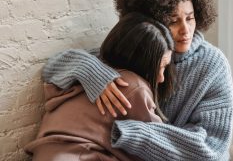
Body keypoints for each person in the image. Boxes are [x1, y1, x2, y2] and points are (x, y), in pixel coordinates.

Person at [42, 0, 233, 161]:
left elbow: (213, 149)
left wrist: (133, 133)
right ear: (151, 21)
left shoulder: (213, 65)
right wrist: (91, 72)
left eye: (190, 18)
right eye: (173, 21)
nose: (186, 30)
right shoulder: (139, 49)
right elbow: (52, 68)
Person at [25, 12, 174, 161]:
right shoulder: (134, 86)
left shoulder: (89, 67)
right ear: (141, 62)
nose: (161, 78)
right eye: (160, 67)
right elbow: (159, 146)